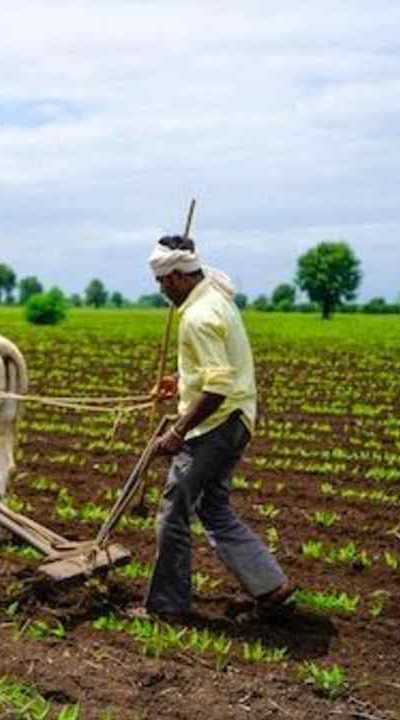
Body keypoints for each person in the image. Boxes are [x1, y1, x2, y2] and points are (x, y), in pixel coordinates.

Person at [137, 234, 292, 619]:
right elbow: (212, 368)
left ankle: (167, 607)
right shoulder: (214, 294)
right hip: (239, 417)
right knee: (212, 506)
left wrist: (176, 433)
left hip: (218, 423)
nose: (161, 290)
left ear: (175, 277)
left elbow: (217, 388)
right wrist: (181, 378)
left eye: (161, 282)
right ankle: (271, 586)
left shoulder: (199, 316)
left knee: (173, 511)